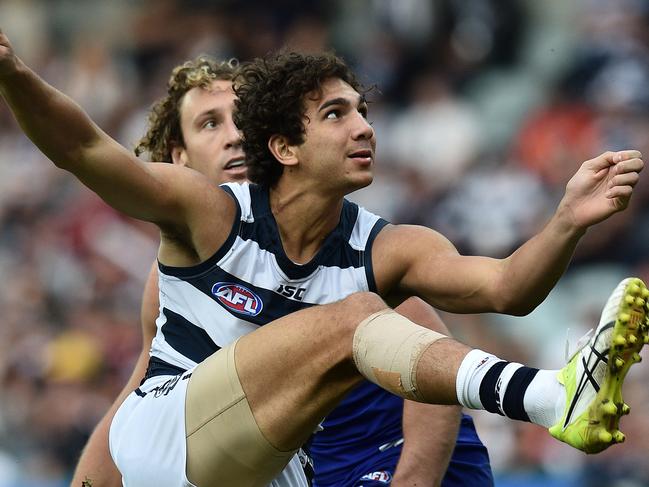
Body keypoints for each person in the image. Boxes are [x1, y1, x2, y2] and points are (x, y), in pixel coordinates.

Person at [0, 32, 647, 487]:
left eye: (362, 112)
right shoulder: (207, 214)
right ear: (280, 145)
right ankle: (545, 395)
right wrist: (15, 74)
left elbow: (506, 287)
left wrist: (564, 221)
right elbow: (83, 149)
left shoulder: (385, 245)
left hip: (273, 464)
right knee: (354, 316)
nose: (364, 127)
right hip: (172, 440)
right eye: (337, 113)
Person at [69, 55, 492, 487]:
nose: (234, 136)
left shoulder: (334, 236)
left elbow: (434, 354)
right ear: (178, 158)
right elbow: (142, 398)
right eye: (210, 124)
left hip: (406, 454)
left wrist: (413, 479)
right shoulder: (176, 279)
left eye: (241, 119)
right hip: (317, 469)